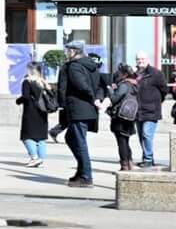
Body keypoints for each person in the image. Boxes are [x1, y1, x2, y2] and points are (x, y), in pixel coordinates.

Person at [57, 42, 100, 187]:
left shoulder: (74, 66)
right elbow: (100, 84)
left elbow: (81, 85)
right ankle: (81, 171)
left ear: (74, 51)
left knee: (80, 142)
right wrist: (96, 98)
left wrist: (93, 97)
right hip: (86, 109)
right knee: (71, 137)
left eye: (67, 50)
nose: (66, 53)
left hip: (78, 109)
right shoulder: (91, 65)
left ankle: (86, 176)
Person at [17, 61, 52, 167]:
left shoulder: (27, 82)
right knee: (41, 138)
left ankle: (34, 157)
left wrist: (18, 100)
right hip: (43, 112)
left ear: (30, 70)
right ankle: (40, 159)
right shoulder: (43, 82)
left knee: (27, 136)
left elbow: (26, 97)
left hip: (31, 111)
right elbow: (51, 95)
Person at [133, 56, 167, 168]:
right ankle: (147, 158)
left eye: (143, 59)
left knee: (147, 134)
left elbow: (164, 90)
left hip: (151, 110)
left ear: (148, 60)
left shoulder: (156, 73)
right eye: (138, 59)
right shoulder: (134, 74)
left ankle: (148, 159)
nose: (140, 61)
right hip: (138, 111)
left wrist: (156, 101)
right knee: (141, 136)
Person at [108, 64, 140, 172]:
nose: (118, 74)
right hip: (130, 117)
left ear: (124, 74)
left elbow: (114, 98)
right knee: (126, 141)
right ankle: (129, 163)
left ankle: (124, 165)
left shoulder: (124, 85)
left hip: (120, 117)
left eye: (120, 72)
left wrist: (111, 90)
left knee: (121, 142)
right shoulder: (134, 85)